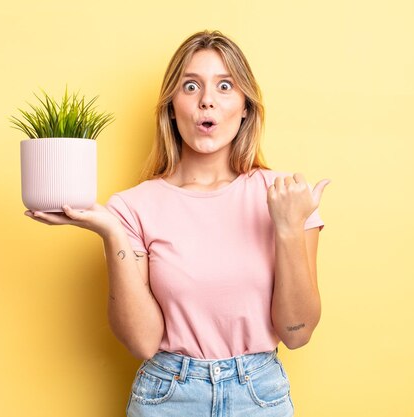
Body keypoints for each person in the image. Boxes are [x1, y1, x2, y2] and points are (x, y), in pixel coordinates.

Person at [25, 30, 330, 417]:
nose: (207, 100)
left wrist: (288, 229)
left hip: (260, 397)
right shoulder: (133, 207)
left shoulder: (284, 195)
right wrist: (112, 231)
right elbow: (142, 342)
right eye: (191, 86)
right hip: (167, 397)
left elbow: (297, 332)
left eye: (224, 86)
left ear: (245, 108)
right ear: (171, 106)